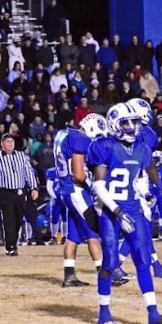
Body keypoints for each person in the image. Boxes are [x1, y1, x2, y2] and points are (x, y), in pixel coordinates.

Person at [87, 102, 162, 324]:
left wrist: (147, 194)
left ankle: (153, 313)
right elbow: (98, 187)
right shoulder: (105, 146)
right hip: (110, 210)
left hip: (133, 208)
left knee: (143, 260)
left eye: (134, 122)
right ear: (114, 123)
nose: (132, 127)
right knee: (110, 262)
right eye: (126, 122)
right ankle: (104, 311)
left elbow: (139, 177)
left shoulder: (142, 149)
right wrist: (117, 211)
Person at [54, 113, 108, 287]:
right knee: (93, 232)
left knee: (73, 235)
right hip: (76, 190)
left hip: (67, 190)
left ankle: (69, 275)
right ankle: (104, 274)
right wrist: (92, 185)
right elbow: (78, 174)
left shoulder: (64, 133)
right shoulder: (79, 139)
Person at [0, 133, 40, 256]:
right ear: (2, 144)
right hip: (4, 192)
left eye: (12, 141)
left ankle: (13, 242)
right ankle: (10, 246)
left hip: (20, 192)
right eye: (7, 141)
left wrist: (34, 188)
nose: (10, 143)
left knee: (18, 220)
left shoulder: (22, 156)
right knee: (9, 220)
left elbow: (28, 172)